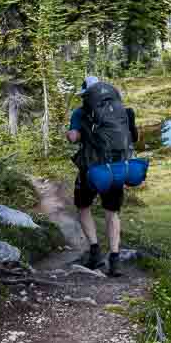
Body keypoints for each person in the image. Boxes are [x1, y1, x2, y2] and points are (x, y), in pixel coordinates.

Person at [66, 76, 137, 277]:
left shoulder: (80, 113)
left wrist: (76, 134)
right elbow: (134, 137)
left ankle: (95, 251)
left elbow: (73, 137)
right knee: (112, 212)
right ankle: (115, 259)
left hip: (91, 168)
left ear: (86, 95)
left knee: (82, 206)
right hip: (115, 167)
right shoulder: (121, 110)